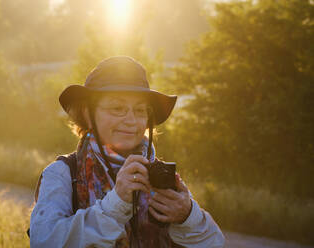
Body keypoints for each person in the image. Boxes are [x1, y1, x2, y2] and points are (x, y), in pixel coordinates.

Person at [29, 56, 225, 248]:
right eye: (117, 108)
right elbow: (44, 241)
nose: (131, 120)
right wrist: (116, 203)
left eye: (140, 111)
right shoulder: (63, 173)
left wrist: (188, 216)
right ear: (89, 115)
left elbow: (216, 243)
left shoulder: (159, 176)